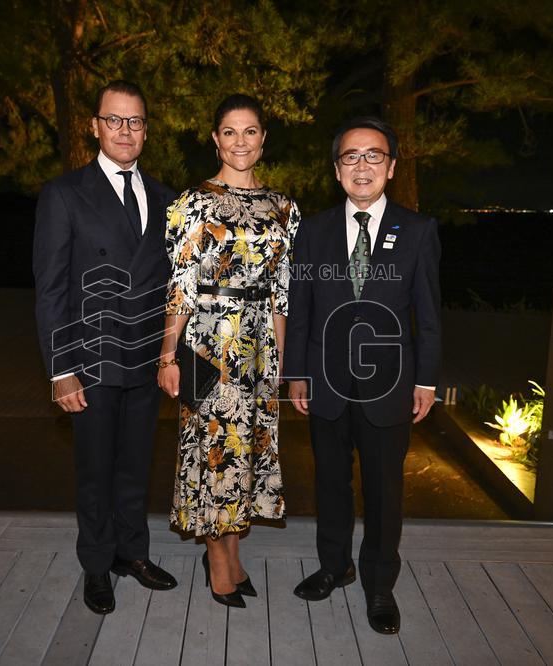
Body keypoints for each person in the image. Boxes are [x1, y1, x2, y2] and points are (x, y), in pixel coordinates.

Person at [285, 116, 441, 634]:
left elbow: (429, 314)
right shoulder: (312, 230)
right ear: (336, 169)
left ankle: (379, 584)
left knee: (383, 491)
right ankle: (335, 566)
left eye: (374, 155)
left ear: (392, 167)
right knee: (329, 483)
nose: (362, 165)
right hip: (325, 384)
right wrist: (298, 373)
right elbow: (300, 306)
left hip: (390, 386)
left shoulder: (418, 231)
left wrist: (426, 381)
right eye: (351, 156)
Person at [33, 80, 178, 615]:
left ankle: (131, 553)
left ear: (146, 131)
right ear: (94, 126)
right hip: (90, 359)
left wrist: (170, 356)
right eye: (114, 120)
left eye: (135, 121)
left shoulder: (167, 198)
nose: (125, 130)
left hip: (145, 360)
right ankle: (97, 565)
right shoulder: (65, 193)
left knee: (136, 465)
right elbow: (49, 289)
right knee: (94, 469)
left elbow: (175, 286)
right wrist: (59, 370)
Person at [157, 94, 300, 608]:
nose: (240, 141)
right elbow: (180, 286)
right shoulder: (192, 203)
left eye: (251, 131)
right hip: (207, 345)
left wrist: (285, 365)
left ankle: (232, 552)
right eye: (229, 131)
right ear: (215, 138)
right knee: (215, 451)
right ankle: (217, 561)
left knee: (249, 451)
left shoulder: (285, 207)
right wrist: (168, 357)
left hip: (261, 348)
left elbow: (283, 292)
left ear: (264, 139)